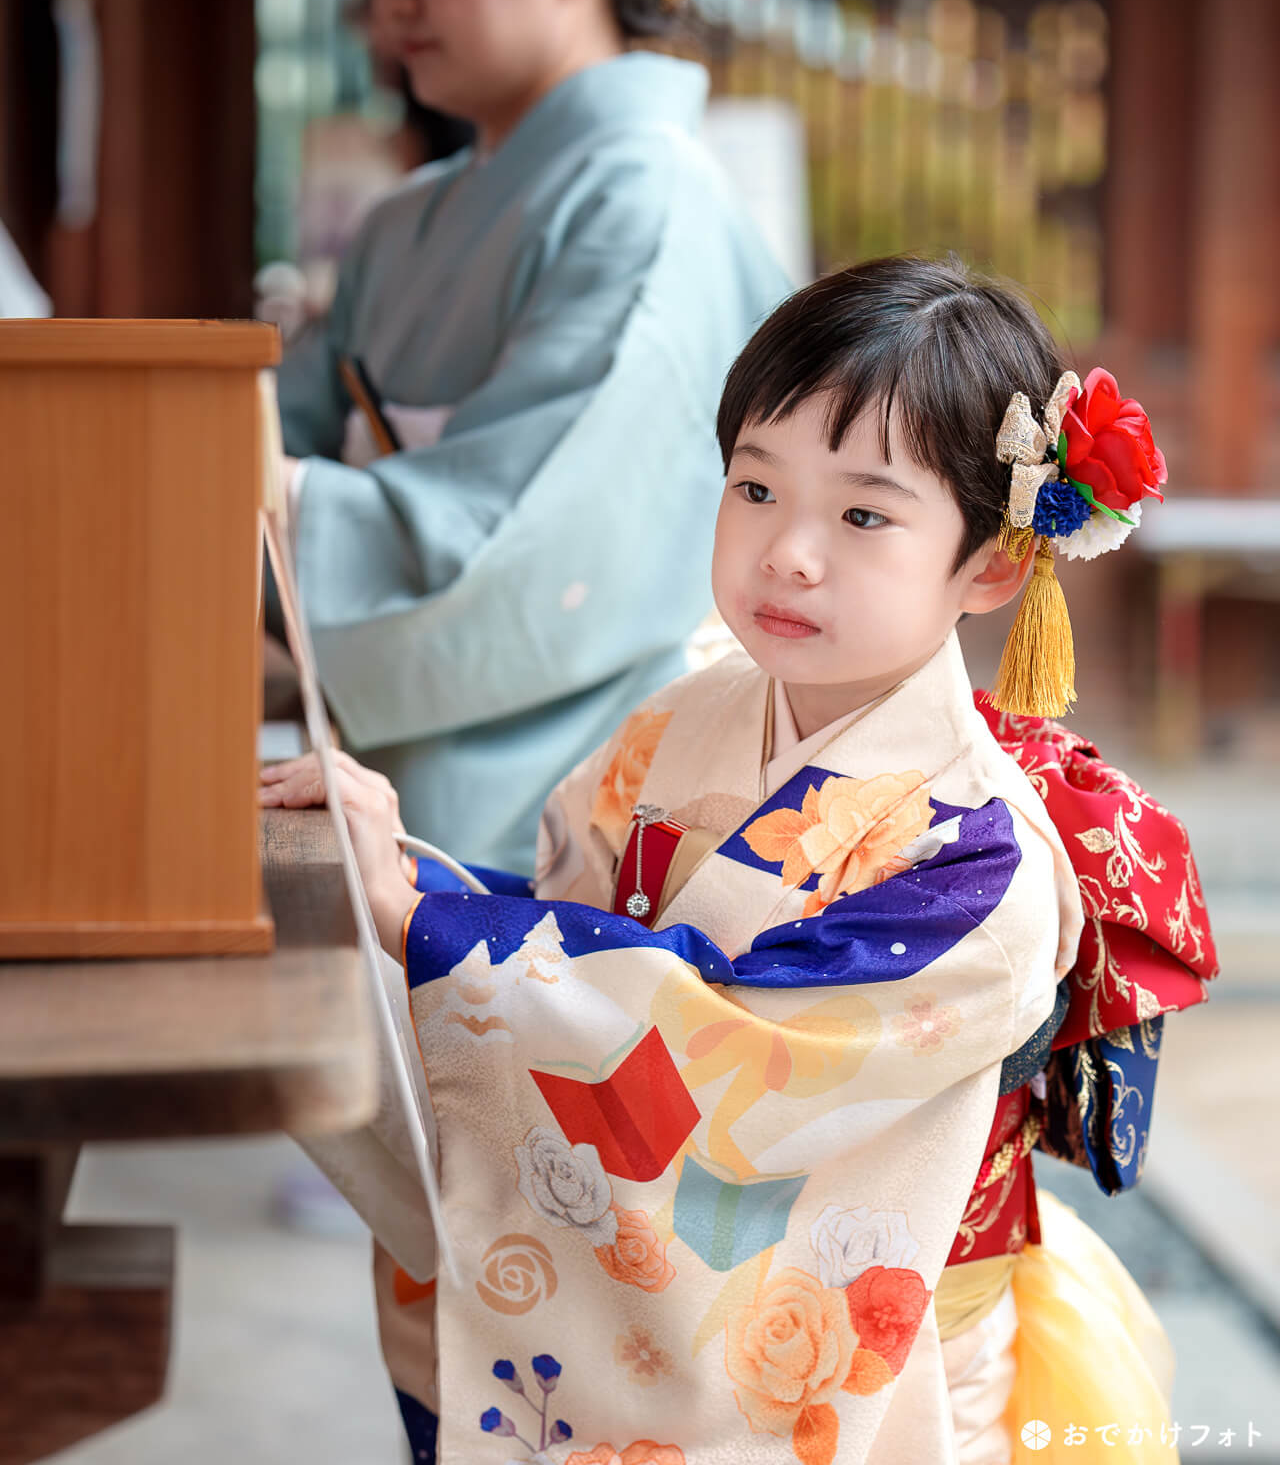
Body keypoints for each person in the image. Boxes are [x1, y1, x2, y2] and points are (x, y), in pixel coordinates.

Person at [262, 256, 1212, 1463]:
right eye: (754, 487)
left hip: (902, 1365)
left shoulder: (977, 866)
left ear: (988, 564)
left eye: (862, 513)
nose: (788, 551)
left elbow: (733, 1046)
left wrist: (425, 923)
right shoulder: (684, 718)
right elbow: (570, 917)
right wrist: (397, 876)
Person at [275, 0, 790, 873]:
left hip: (552, 821)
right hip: (375, 776)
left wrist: (250, 500)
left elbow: (519, 544)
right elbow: (262, 443)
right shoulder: (400, 222)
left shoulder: (646, 204)